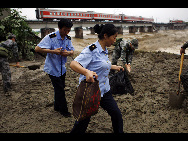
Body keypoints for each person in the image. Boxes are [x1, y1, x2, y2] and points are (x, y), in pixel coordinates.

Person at [70, 24, 124, 133]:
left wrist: (114, 67)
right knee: (83, 121)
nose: (115, 40)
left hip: (104, 90)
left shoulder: (104, 49)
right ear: (105, 36)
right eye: (114, 37)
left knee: (116, 114)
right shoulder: (91, 50)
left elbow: (101, 64)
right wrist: (86, 72)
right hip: (91, 91)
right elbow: (73, 64)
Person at [35, 19, 75, 117]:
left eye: (68, 30)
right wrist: (53, 51)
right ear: (59, 28)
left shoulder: (68, 38)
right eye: (65, 30)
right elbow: (37, 49)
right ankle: (64, 111)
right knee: (60, 90)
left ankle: (57, 106)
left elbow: (72, 51)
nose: (67, 32)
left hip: (62, 68)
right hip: (52, 68)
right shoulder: (50, 37)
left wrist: (68, 53)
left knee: (60, 88)